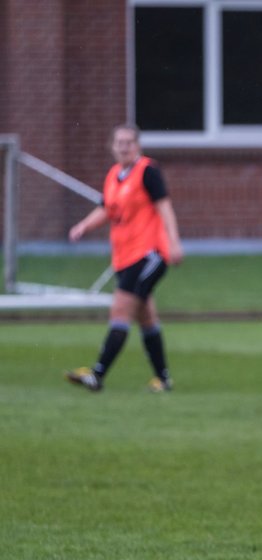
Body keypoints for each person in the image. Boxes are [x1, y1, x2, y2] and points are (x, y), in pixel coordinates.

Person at [64, 123, 183, 393]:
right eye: (119, 142)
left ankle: (97, 374)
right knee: (146, 316)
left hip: (149, 254)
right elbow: (107, 208)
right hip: (125, 256)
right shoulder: (114, 175)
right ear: (112, 146)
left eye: (129, 142)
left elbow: (165, 208)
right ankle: (163, 380)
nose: (124, 147)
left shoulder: (148, 171)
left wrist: (174, 243)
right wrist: (83, 226)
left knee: (121, 308)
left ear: (137, 145)